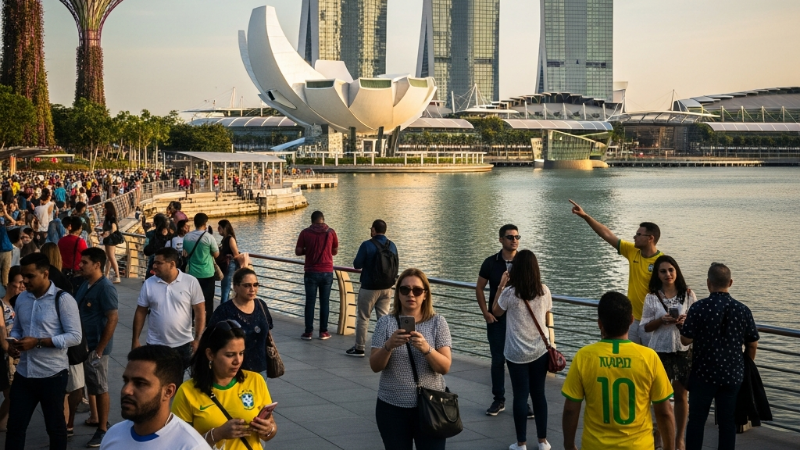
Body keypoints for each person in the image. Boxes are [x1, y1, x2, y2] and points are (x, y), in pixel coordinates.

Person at [561, 291, 676, 450]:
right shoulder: (649, 357)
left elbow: (570, 409)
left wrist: (569, 445)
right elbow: (665, 412)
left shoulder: (584, 357)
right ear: (630, 320)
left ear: (600, 323)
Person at [5, 253, 82, 450]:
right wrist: (15, 342)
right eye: (23, 276)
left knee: (55, 428)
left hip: (52, 375)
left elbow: (75, 336)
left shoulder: (63, 300)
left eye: (30, 276)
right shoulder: (22, 299)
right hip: (24, 373)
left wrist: (38, 342)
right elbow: (18, 328)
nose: (25, 281)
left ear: (45, 274)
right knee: (15, 427)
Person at [370, 268, 453, 450]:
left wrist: (426, 349)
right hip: (392, 407)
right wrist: (388, 346)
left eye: (417, 290)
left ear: (425, 294)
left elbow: (445, 367)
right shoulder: (385, 323)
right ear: (398, 293)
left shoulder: (438, 322)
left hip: (431, 406)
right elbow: (375, 366)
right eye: (405, 289)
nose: (411, 295)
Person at [680, 263, 759, 450]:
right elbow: (752, 343)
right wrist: (746, 364)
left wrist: (682, 329)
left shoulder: (699, 308)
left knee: (697, 420)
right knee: (727, 422)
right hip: (733, 375)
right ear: (730, 282)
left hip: (703, 374)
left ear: (708, 283)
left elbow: (685, 340)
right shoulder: (743, 310)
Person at [172, 321, 277, 449]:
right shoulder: (187, 391)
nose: (237, 361)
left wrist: (268, 429)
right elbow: (179, 444)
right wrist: (217, 434)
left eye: (241, 353)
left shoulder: (255, 380)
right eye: (230, 355)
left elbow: (271, 428)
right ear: (210, 354)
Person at [569, 200, 662, 344]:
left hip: (652, 321)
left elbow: (673, 285)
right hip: (632, 320)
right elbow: (606, 234)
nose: (634, 237)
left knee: (650, 359)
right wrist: (585, 216)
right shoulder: (632, 251)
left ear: (650, 238)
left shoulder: (663, 261)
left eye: (639, 234)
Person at [491, 250, 552, 450]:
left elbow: (495, 312)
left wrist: (501, 285)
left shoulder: (510, 293)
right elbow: (546, 315)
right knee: (539, 395)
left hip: (516, 353)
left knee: (520, 396)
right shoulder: (544, 290)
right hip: (540, 351)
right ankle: (543, 441)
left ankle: (521, 443)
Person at [100, 345, 212, 449]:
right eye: (126, 381)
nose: (126, 390)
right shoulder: (113, 435)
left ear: (168, 391)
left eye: (140, 383)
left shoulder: (191, 446)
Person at [477, 224, 534, 418]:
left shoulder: (524, 263)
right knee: (498, 360)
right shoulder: (490, 262)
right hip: (497, 320)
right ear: (501, 239)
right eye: (510, 237)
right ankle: (498, 400)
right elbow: (479, 288)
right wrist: (485, 312)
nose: (514, 240)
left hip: (519, 320)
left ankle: (522, 402)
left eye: (517, 236)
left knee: (520, 361)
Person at [641, 255, 697, 450]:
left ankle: (679, 439)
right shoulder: (651, 297)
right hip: (659, 351)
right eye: (663, 271)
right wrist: (661, 320)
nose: (668, 274)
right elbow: (645, 327)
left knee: (682, 395)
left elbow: (696, 324)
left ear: (677, 271)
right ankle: (658, 438)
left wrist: (684, 322)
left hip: (683, 350)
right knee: (658, 396)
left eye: (671, 270)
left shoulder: (689, 295)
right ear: (657, 274)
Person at [74, 247, 120, 447]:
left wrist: (100, 349)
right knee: (92, 385)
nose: (80, 265)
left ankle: (103, 428)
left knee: (100, 387)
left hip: (96, 347)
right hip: (84, 345)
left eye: (84, 262)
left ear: (97, 265)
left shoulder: (106, 288)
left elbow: (112, 318)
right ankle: (98, 420)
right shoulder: (86, 284)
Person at [133, 248, 205, 371]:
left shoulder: (190, 282)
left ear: (172, 264)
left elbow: (200, 311)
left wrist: (198, 338)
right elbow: (141, 311)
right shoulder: (149, 283)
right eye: (154, 262)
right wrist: (135, 339)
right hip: (155, 344)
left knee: (177, 382)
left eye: (159, 263)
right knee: (155, 382)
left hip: (182, 344)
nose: (154, 266)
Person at [347, 219, 398, 357]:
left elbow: (357, 264)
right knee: (384, 318)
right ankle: (386, 347)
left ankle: (359, 348)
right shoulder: (392, 245)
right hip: (387, 287)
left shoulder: (367, 245)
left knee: (363, 317)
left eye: (371, 229)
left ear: (374, 230)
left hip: (369, 287)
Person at [209, 268, 272, 378]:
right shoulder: (224, 311)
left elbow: (267, 331)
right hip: (233, 371)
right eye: (247, 285)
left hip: (260, 369)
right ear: (236, 287)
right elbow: (211, 339)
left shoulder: (261, 305)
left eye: (255, 285)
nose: (252, 289)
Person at [295, 210, 339, 340]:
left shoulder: (305, 233)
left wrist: (308, 250)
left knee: (310, 302)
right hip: (327, 272)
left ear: (312, 220)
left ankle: (308, 332)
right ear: (323, 219)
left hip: (311, 272)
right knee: (325, 302)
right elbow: (335, 251)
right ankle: (323, 332)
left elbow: (298, 251)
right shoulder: (331, 232)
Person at [183, 213, 219, 325]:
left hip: (192, 273)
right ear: (205, 223)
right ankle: (208, 323)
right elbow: (216, 254)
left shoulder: (187, 237)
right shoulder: (208, 237)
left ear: (194, 223)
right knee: (208, 300)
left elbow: (185, 253)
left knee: (192, 298)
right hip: (207, 273)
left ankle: (192, 320)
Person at [0, 266, 23, 430]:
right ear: (9, 283)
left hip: (17, 354)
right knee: (10, 393)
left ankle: (2, 423)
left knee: (13, 394)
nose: (22, 287)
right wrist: (7, 348)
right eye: (19, 283)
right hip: (6, 355)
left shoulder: (22, 303)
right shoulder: (1, 304)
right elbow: (1, 330)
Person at [217, 220, 241, 304]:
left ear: (225, 228)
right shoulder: (225, 239)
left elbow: (236, 254)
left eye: (219, 227)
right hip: (226, 265)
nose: (218, 230)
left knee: (226, 288)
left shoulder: (230, 239)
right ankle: (223, 308)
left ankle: (223, 308)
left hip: (229, 265)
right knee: (225, 288)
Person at [99, 201, 122, 283]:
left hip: (110, 240)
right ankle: (106, 274)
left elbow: (114, 228)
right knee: (109, 257)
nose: (103, 209)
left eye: (104, 208)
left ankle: (117, 276)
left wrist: (107, 233)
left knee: (111, 257)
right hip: (110, 239)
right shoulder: (110, 217)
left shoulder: (111, 218)